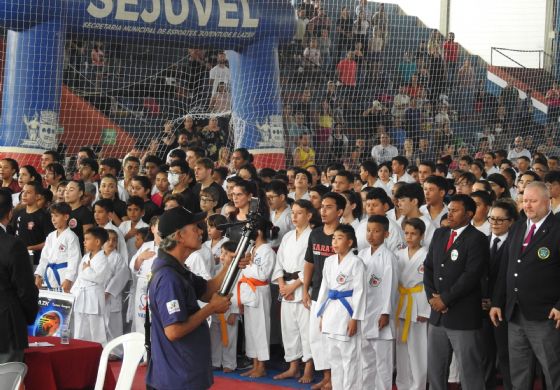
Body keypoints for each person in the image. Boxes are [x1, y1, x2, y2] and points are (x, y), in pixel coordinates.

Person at [146, 207, 245, 390]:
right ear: (179, 236)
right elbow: (174, 331)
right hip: (177, 377)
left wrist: (230, 265)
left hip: (184, 372)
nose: (201, 231)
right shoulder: (168, 277)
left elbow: (208, 290)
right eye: (195, 228)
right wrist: (211, 308)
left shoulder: (177, 268)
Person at [490, 181, 560, 389]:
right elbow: (506, 268)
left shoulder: (557, 229)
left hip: (545, 315)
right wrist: (497, 301)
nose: (527, 205)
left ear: (547, 202)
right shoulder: (519, 226)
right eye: (525, 200)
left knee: (552, 370)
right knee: (519, 371)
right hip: (514, 313)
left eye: (533, 201)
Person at [423, 194, 488, 390]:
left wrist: (445, 299)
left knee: (469, 372)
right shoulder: (440, 234)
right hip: (437, 316)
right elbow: (429, 268)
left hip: (463, 316)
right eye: (449, 210)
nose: (449, 214)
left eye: (455, 210)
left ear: (469, 214)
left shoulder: (478, 238)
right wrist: (432, 298)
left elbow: (471, 275)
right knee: (436, 370)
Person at [303, 192, 346, 390]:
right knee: (316, 337)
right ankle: (327, 376)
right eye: (322, 206)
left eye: (329, 207)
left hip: (338, 297)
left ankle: (336, 378)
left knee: (333, 338)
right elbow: (309, 263)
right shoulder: (316, 233)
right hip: (317, 292)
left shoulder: (345, 234)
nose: (323, 210)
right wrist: (305, 289)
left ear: (340, 211)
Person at [316, 224, 366, 390]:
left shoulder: (356, 262)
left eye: (340, 238)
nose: (335, 242)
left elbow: (360, 292)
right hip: (331, 312)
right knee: (334, 359)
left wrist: (355, 318)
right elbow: (324, 288)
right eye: (333, 238)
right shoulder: (329, 261)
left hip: (347, 312)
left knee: (350, 359)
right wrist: (322, 315)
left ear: (350, 242)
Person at [272, 199, 314, 383]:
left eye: (299, 213)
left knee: (307, 332)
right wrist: (282, 285)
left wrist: (293, 285)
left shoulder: (313, 236)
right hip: (286, 288)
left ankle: (309, 370)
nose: (294, 216)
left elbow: (312, 266)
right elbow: (278, 262)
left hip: (303, 288)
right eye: (293, 212)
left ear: (309, 215)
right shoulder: (288, 236)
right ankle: (293, 367)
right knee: (289, 331)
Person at [358, 215, 398, 390]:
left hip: (380, 314)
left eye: (376, 231)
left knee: (383, 363)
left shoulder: (389, 257)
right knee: (366, 361)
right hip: (364, 313)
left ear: (386, 234)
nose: (371, 235)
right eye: (368, 230)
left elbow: (391, 286)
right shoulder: (361, 254)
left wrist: (386, 313)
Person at [0, 188, 39, 363]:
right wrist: (28, 317)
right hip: (6, 326)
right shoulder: (13, 246)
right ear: (9, 213)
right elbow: (25, 290)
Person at [482, 200, 518, 390]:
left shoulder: (515, 244)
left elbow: (509, 279)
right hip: (482, 308)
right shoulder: (483, 242)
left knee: (505, 356)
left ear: (511, 221)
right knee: (485, 355)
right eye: (491, 219)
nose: (494, 223)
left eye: (499, 220)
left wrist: (495, 302)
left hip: (504, 310)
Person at [395, 218, 430, 390]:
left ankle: (418, 386)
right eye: (406, 233)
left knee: (418, 350)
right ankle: (402, 385)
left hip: (417, 306)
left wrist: (425, 310)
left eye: (413, 234)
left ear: (421, 235)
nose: (409, 237)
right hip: (401, 303)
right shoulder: (399, 254)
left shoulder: (427, 255)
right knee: (401, 349)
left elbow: (429, 285)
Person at [71, 226, 110, 344]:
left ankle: (98, 356)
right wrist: (72, 293)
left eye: (87, 239)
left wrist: (87, 270)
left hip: (93, 298)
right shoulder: (85, 257)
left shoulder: (103, 259)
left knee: (96, 330)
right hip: (81, 296)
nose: (84, 242)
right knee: (79, 329)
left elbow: (98, 278)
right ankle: (80, 353)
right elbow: (79, 277)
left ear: (97, 242)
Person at [35, 202, 81, 292]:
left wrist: (69, 279)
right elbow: (44, 258)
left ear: (66, 217)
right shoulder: (51, 236)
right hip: (50, 276)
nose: (53, 219)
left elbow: (74, 260)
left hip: (64, 276)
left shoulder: (71, 236)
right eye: (52, 216)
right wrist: (39, 275)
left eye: (56, 216)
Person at [210, 241, 239, 373]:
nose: (222, 256)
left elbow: (239, 292)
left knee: (230, 337)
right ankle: (215, 361)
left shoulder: (238, 272)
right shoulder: (216, 270)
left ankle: (229, 363)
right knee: (215, 336)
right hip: (216, 308)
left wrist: (235, 312)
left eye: (226, 253)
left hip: (229, 308)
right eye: (222, 252)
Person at [103, 229, 130, 346]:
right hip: (97, 295)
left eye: (114, 240)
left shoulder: (118, 258)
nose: (111, 242)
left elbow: (121, 277)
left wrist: (108, 291)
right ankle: (101, 348)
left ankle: (116, 351)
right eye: (108, 239)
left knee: (114, 324)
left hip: (111, 296)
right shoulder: (96, 256)